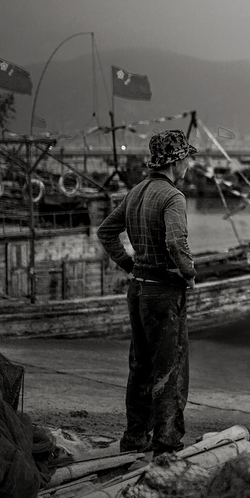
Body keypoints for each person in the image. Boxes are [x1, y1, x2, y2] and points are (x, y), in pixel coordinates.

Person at [98, 129, 198, 455]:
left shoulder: (136, 192)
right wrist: (189, 273)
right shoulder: (173, 197)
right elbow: (175, 242)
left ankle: (134, 438)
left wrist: (128, 264)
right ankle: (166, 443)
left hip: (138, 290)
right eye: (188, 157)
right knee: (170, 370)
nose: (190, 163)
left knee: (140, 368)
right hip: (163, 294)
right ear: (177, 160)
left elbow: (106, 231)